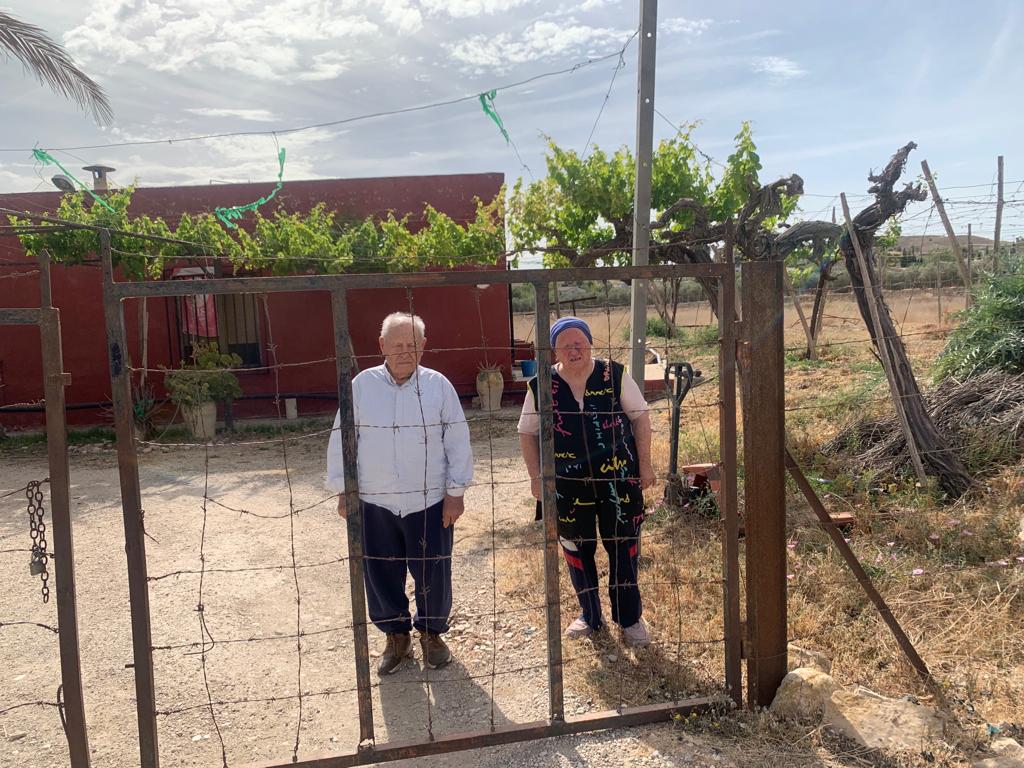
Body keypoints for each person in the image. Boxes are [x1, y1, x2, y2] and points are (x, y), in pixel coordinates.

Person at [327, 312, 473, 675]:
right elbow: (342, 440)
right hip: (375, 501)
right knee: (379, 573)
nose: (405, 352)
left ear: (423, 347)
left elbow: (457, 441)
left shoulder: (439, 386)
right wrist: (346, 491)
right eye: (397, 345)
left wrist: (456, 493)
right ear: (381, 347)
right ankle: (396, 636)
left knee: (433, 572)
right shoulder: (361, 386)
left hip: (429, 500)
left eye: (412, 345)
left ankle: (431, 634)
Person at [518, 317, 656, 647]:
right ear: (554, 351)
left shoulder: (615, 374)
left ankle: (629, 618)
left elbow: (641, 419)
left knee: (624, 547)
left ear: (591, 343)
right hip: (566, 487)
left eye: (579, 341)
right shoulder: (541, 386)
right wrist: (536, 478)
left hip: (619, 482)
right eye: (565, 344)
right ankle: (590, 615)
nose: (573, 348)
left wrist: (645, 466)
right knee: (578, 551)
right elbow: (527, 432)